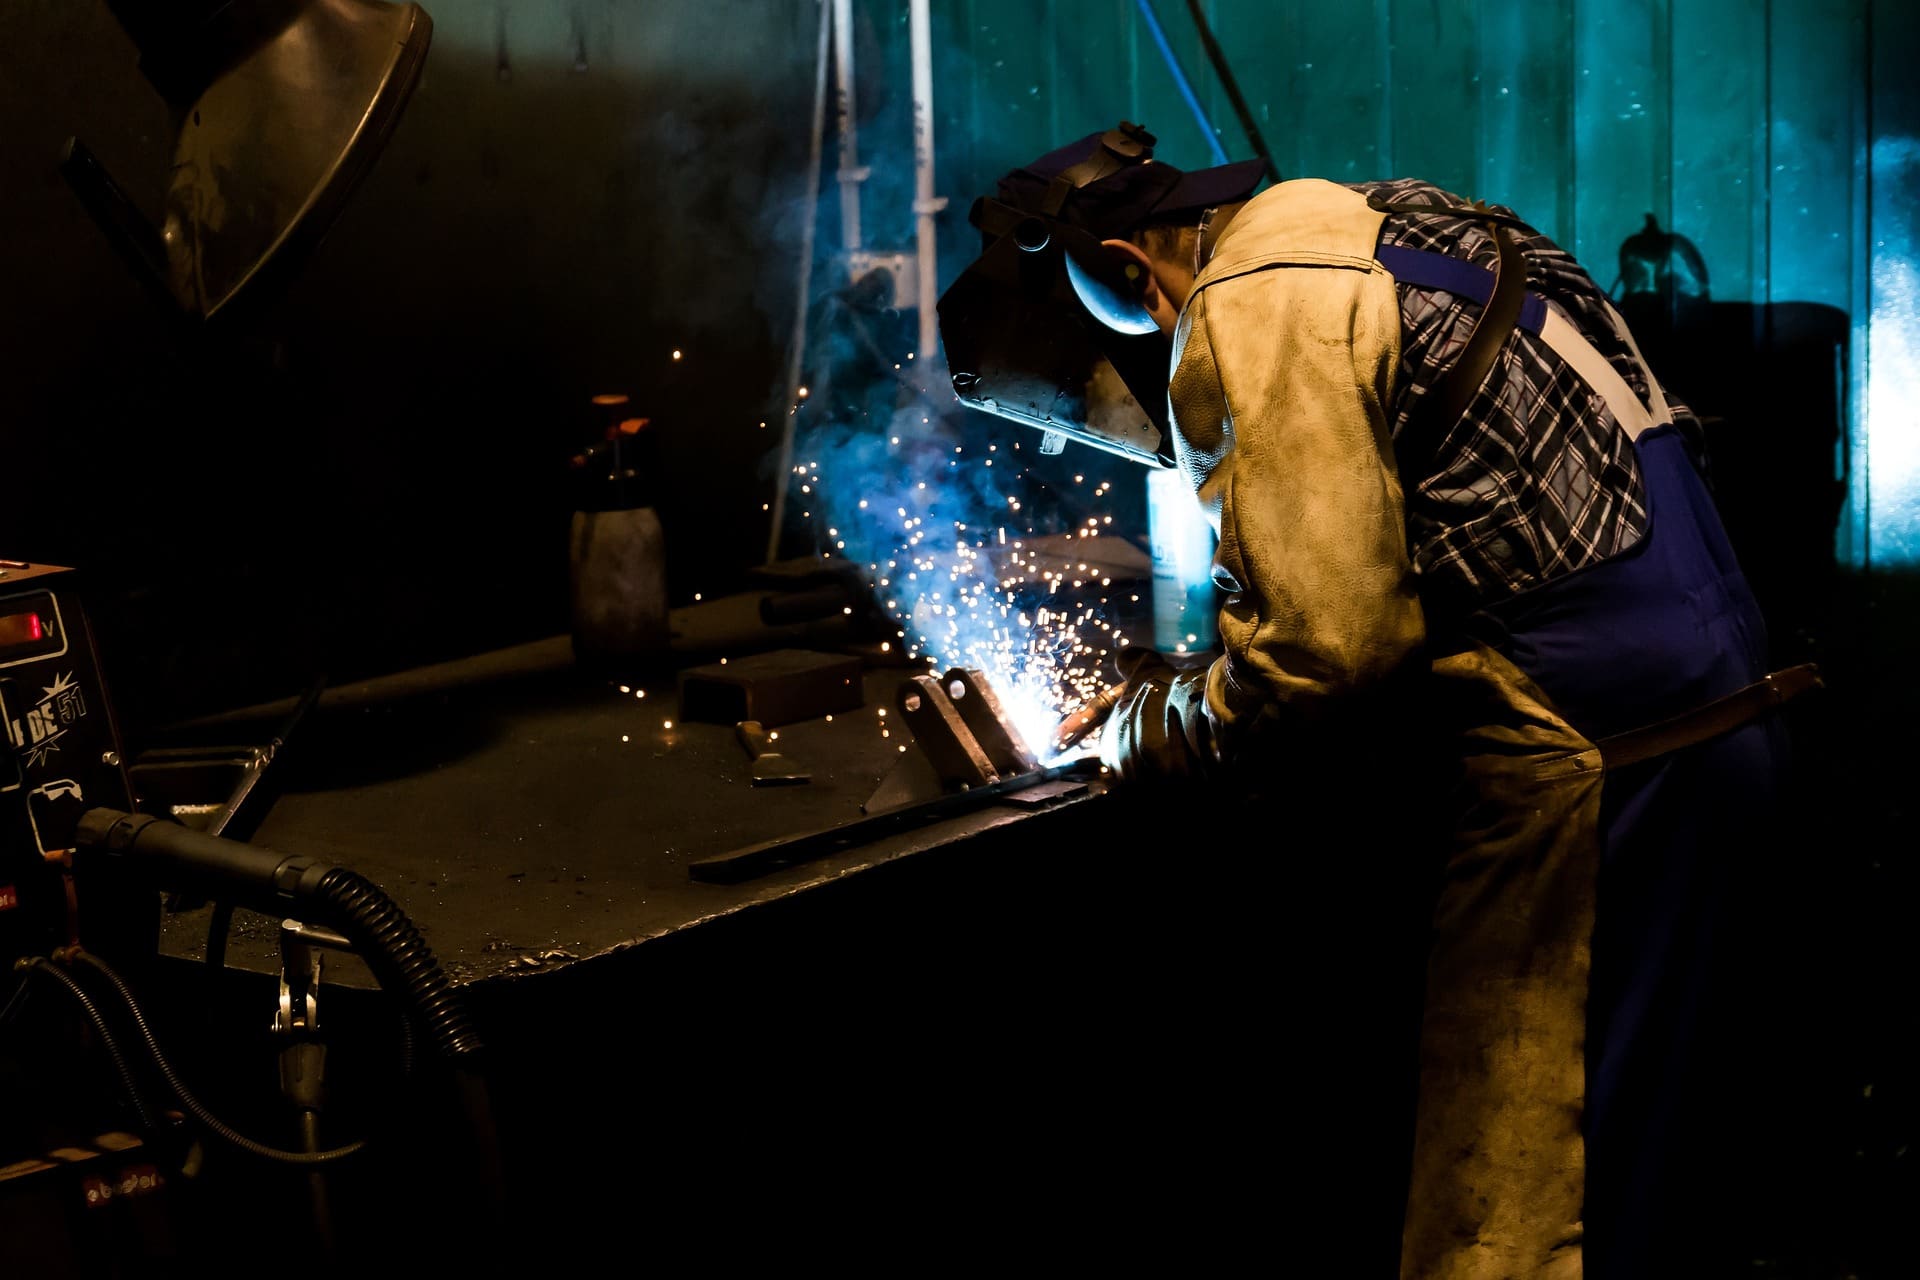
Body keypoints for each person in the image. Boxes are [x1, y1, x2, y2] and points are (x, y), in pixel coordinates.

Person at [944, 125, 1813, 1277]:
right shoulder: (1397, 217)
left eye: (1141, 332)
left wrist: (1137, 730)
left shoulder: (1251, 297)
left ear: (1123, 266)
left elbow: (1324, 653)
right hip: (1729, 729)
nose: (1159, 353)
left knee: (1519, 1216)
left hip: (1597, 777)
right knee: (1658, 1182)